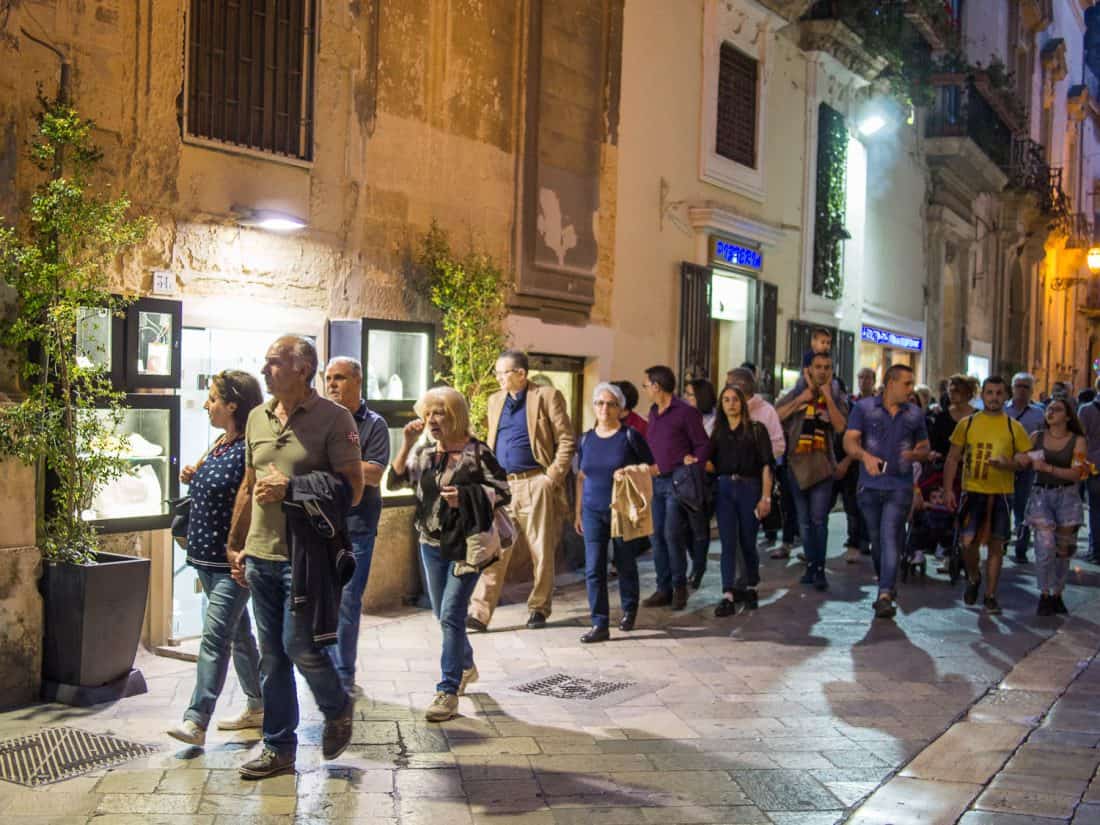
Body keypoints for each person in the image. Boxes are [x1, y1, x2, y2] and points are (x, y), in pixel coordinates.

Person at [226, 335, 364, 779]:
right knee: (272, 657)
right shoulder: (256, 418)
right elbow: (248, 485)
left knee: (299, 644)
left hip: (305, 558)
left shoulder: (334, 419)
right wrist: (236, 542)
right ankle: (278, 746)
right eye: (265, 364)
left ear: (302, 369)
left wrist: (294, 488)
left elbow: (352, 490)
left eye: (273, 364)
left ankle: (337, 705)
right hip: (261, 556)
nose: (265, 371)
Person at [388, 387, 510, 720]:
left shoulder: (478, 452)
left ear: (455, 416)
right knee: (442, 615)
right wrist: (406, 444)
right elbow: (397, 480)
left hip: (467, 547)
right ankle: (465, 664)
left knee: (452, 615)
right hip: (430, 544)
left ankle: (447, 688)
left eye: (438, 414)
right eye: (427, 414)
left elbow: (503, 491)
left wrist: (467, 496)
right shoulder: (426, 453)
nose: (431, 420)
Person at [166, 371, 265, 747]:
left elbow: (249, 498)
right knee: (239, 635)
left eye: (212, 399)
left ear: (233, 404)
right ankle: (258, 705)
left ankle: (196, 720)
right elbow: (213, 484)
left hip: (232, 564)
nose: (207, 405)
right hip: (205, 558)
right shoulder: (221, 443)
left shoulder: (250, 448)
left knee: (214, 638)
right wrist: (193, 472)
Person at [467, 350, 575, 631]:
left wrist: (550, 478)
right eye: (498, 373)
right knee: (495, 548)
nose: (499, 378)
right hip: (503, 486)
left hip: (536, 482)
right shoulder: (495, 401)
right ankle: (479, 612)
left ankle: (539, 608)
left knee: (541, 550)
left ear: (521, 374)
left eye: (504, 373)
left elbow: (566, 440)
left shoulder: (547, 396)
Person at [323, 356, 390, 694]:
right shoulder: (319, 420)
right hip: (320, 525)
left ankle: (344, 677)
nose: (332, 384)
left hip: (357, 526)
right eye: (328, 378)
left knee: (348, 599)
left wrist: (332, 463)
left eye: (339, 378)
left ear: (358, 382)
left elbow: (374, 474)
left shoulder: (373, 424)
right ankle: (326, 670)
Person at [843, 364, 930, 619]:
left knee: (890, 535)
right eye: (906, 383)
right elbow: (849, 440)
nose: (910, 389)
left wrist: (916, 454)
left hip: (899, 487)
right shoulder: (864, 408)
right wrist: (864, 456)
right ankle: (887, 584)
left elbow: (925, 447)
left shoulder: (914, 414)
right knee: (877, 541)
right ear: (890, 383)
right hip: (869, 487)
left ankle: (883, 594)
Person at [942, 376, 1032, 615]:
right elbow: (952, 457)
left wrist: (1010, 463)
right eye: (989, 392)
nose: (994, 397)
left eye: (998, 393)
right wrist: (948, 489)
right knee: (967, 543)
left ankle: (991, 595)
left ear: (1005, 396)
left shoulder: (1014, 427)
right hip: (972, 493)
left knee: (996, 546)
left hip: (1002, 494)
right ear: (982, 395)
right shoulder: (967, 424)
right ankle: (973, 576)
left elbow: (1026, 459)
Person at [573, 383, 655, 642]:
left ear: (620, 409)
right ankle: (600, 623)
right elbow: (581, 477)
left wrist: (629, 471)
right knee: (593, 568)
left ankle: (629, 609)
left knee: (624, 562)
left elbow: (653, 468)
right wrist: (577, 513)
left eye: (610, 404)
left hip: (622, 511)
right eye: (599, 403)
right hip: (592, 510)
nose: (604, 408)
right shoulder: (586, 438)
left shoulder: (629, 437)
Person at [775, 352, 848, 590]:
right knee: (804, 522)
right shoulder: (795, 394)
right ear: (808, 370)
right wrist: (801, 401)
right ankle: (810, 566)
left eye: (827, 367)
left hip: (823, 467)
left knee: (819, 520)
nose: (823, 371)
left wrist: (827, 398)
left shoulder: (836, 397)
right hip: (797, 465)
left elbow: (841, 427)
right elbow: (775, 418)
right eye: (818, 367)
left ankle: (819, 568)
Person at [641, 365, 710, 610]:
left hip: (676, 483)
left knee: (672, 535)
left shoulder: (686, 412)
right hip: (656, 483)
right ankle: (663, 588)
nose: (646, 390)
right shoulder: (653, 412)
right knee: (656, 536)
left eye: (646, 385)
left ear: (657, 386)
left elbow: (702, 445)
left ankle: (680, 587)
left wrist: (694, 463)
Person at [708, 385, 774, 616]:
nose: (731, 404)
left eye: (735, 399)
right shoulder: (717, 432)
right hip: (725, 488)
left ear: (742, 403)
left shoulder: (756, 430)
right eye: (725, 400)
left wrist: (765, 497)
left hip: (749, 487)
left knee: (747, 540)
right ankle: (728, 592)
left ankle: (750, 585)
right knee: (727, 542)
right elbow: (710, 463)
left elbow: (767, 465)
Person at [1025, 397, 1088, 616]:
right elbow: (1025, 459)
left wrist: (1049, 468)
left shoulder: (1077, 440)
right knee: (1044, 547)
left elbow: (1078, 473)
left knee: (1062, 550)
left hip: (1067, 497)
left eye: (1057, 409)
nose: (1051, 412)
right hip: (1041, 495)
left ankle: (1057, 594)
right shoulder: (1037, 437)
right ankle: (1043, 594)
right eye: (1049, 408)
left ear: (1068, 416)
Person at [1005, 372, 1046, 564]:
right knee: (1003, 506)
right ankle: (1002, 540)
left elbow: (1043, 443)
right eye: (1018, 386)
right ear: (1012, 388)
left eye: (1025, 387)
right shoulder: (1003, 410)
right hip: (1004, 466)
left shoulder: (1039, 413)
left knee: (1023, 508)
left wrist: (1032, 460)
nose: (1021, 390)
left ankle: (1021, 547)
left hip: (1028, 468)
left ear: (1031, 390)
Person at [683, 378, 718, 588]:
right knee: (684, 527)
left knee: (699, 527)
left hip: (706, 480)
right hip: (686, 478)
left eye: (690, 395)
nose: (686, 399)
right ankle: (695, 561)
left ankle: (698, 566)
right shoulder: (686, 418)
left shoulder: (714, 421)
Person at [927, 374, 979, 468]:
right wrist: (933, 453)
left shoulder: (978, 417)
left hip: (970, 466)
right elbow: (934, 443)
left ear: (967, 393)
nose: (952, 394)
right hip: (944, 464)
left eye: (956, 391)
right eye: (950, 391)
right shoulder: (941, 417)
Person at [1077, 379, 1100, 563]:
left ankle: (1096, 550)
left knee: (1095, 509)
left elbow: (1080, 438)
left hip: (1094, 465)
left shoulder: (1086, 410)